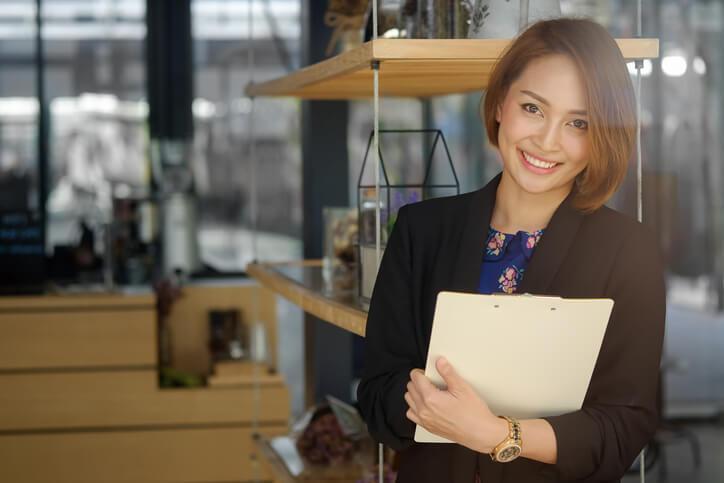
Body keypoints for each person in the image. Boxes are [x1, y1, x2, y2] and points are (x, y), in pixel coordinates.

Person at [357, 18, 666, 483]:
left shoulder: (629, 251)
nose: (546, 141)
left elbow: (624, 426)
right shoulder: (422, 230)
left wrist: (497, 434)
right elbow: (377, 395)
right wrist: (426, 403)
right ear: (501, 102)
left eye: (577, 122)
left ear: (600, 136)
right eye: (533, 108)